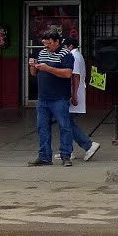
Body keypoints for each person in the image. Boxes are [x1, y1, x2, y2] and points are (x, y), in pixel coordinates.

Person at [28, 29, 76, 167]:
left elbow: (67, 74)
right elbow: (34, 73)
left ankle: (66, 156)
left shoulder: (66, 54)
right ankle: (44, 156)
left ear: (57, 42)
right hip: (43, 98)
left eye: (49, 43)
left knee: (64, 127)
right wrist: (33, 66)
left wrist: (48, 68)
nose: (46, 46)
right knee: (42, 127)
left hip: (59, 97)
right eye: (44, 42)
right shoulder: (42, 52)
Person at [62, 37, 101, 162]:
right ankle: (68, 151)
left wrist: (74, 96)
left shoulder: (74, 57)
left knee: (66, 122)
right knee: (66, 122)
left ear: (70, 46)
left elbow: (76, 77)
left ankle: (88, 145)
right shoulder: (78, 55)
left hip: (75, 93)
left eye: (64, 46)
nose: (63, 49)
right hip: (76, 93)